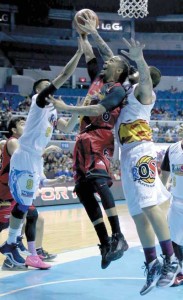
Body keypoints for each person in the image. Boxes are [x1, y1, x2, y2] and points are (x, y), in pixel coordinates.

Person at [47, 13, 129, 269]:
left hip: (99, 136)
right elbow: (90, 54)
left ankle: (119, 235)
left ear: (119, 70)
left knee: (98, 180)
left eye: (111, 61)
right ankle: (105, 241)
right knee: (83, 190)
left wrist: (66, 107)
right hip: (82, 139)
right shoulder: (97, 78)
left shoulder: (117, 89)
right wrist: (82, 34)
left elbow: (95, 111)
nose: (105, 63)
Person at [0, 38, 83, 267]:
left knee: (28, 208)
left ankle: (20, 247)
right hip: (25, 156)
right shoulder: (39, 101)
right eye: (48, 85)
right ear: (41, 91)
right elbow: (64, 75)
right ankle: (12, 244)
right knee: (25, 206)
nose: (52, 88)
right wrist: (79, 53)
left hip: (35, 159)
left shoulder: (53, 113)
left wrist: (79, 108)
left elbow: (69, 127)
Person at [114, 38, 181, 295]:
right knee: (137, 213)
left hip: (141, 150)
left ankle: (171, 260)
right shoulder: (127, 92)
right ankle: (152, 262)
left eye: (139, 73)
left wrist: (139, 58)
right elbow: (114, 63)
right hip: (126, 154)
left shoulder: (146, 93)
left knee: (149, 206)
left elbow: (142, 76)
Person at [0, 116, 63, 270]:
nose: (26, 126)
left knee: (34, 217)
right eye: (22, 124)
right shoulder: (14, 142)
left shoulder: (29, 146)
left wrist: (54, 181)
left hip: (19, 192)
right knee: (4, 224)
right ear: (14, 130)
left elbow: (39, 175)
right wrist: (45, 150)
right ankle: (13, 249)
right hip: (7, 191)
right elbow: (23, 156)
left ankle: (27, 251)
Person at [160, 141, 183, 287]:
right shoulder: (172, 149)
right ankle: (179, 271)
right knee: (172, 240)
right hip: (177, 202)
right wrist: (159, 195)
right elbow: (164, 175)